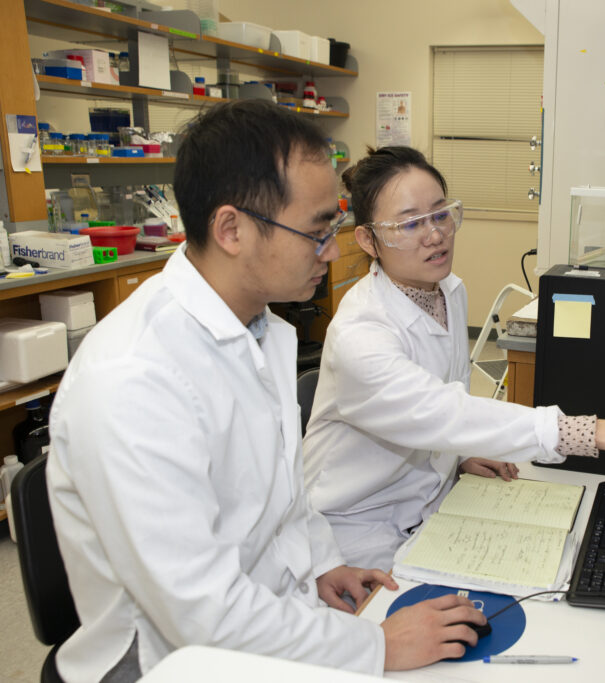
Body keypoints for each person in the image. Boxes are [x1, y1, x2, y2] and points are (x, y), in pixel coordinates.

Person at [45, 102, 486, 683]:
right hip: (165, 660)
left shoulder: (262, 327)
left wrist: (323, 563)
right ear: (232, 229)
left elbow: (284, 493)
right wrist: (374, 646)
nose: (332, 251)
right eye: (315, 231)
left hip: (266, 611)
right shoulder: (134, 377)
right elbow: (201, 614)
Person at [303, 146, 605, 571]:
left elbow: (445, 396)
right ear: (368, 239)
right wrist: (598, 432)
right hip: (354, 538)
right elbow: (439, 411)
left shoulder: (447, 291)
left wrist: (459, 454)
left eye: (441, 214)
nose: (434, 235)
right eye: (409, 223)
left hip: (430, 508)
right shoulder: (360, 334)